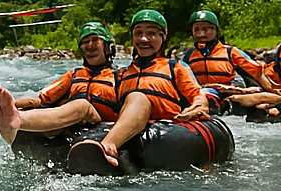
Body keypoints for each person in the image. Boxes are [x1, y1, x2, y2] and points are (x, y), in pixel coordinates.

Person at [82, 9, 208, 167]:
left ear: (163, 37)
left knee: (138, 97)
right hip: (131, 132)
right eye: (138, 33)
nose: (143, 39)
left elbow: (198, 96)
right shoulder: (121, 74)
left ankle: (107, 146)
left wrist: (198, 106)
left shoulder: (175, 67)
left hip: (166, 131)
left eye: (151, 34)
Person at [0, 21, 118, 144]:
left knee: (82, 106)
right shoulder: (75, 74)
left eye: (95, 40)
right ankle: (11, 120)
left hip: (104, 127)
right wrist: (11, 105)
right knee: (32, 107)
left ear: (107, 47)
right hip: (71, 126)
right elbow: (40, 99)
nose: (90, 45)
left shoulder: (120, 76)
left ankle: (17, 120)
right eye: (85, 42)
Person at [179, 9, 268, 110]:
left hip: (230, 92)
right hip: (203, 94)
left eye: (205, 29)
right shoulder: (189, 56)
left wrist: (272, 90)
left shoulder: (230, 52)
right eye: (196, 30)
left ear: (216, 30)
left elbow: (257, 72)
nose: (201, 34)